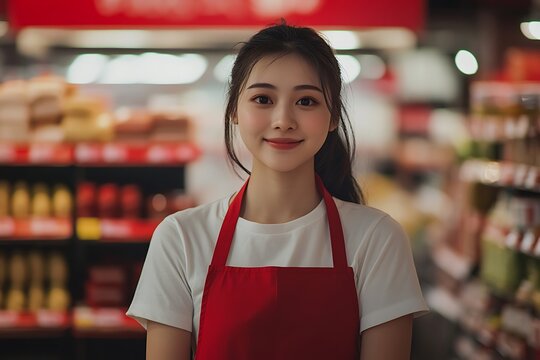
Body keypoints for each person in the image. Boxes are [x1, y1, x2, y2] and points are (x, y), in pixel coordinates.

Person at [127, 21, 429, 360]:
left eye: (306, 101)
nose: (283, 119)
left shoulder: (377, 239)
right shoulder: (180, 239)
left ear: (332, 118)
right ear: (234, 112)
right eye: (262, 98)